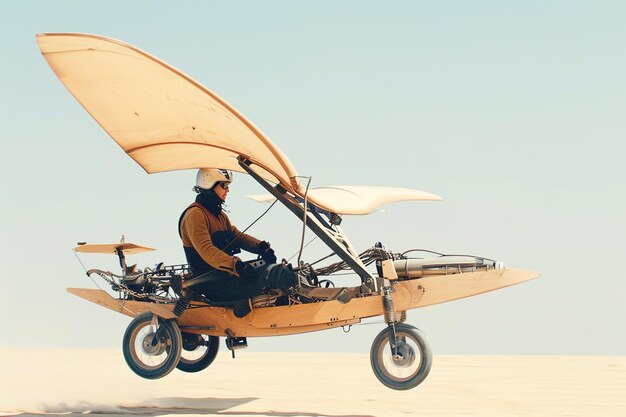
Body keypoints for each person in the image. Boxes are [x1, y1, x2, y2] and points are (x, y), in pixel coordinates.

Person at [178, 168, 298, 316]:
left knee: (279, 269)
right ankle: (251, 304)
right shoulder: (195, 215)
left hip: (225, 277)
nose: (228, 190)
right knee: (271, 274)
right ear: (208, 184)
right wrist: (237, 265)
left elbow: (237, 237)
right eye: (224, 185)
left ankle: (291, 296)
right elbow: (206, 251)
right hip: (212, 284)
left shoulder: (220, 216)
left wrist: (261, 247)